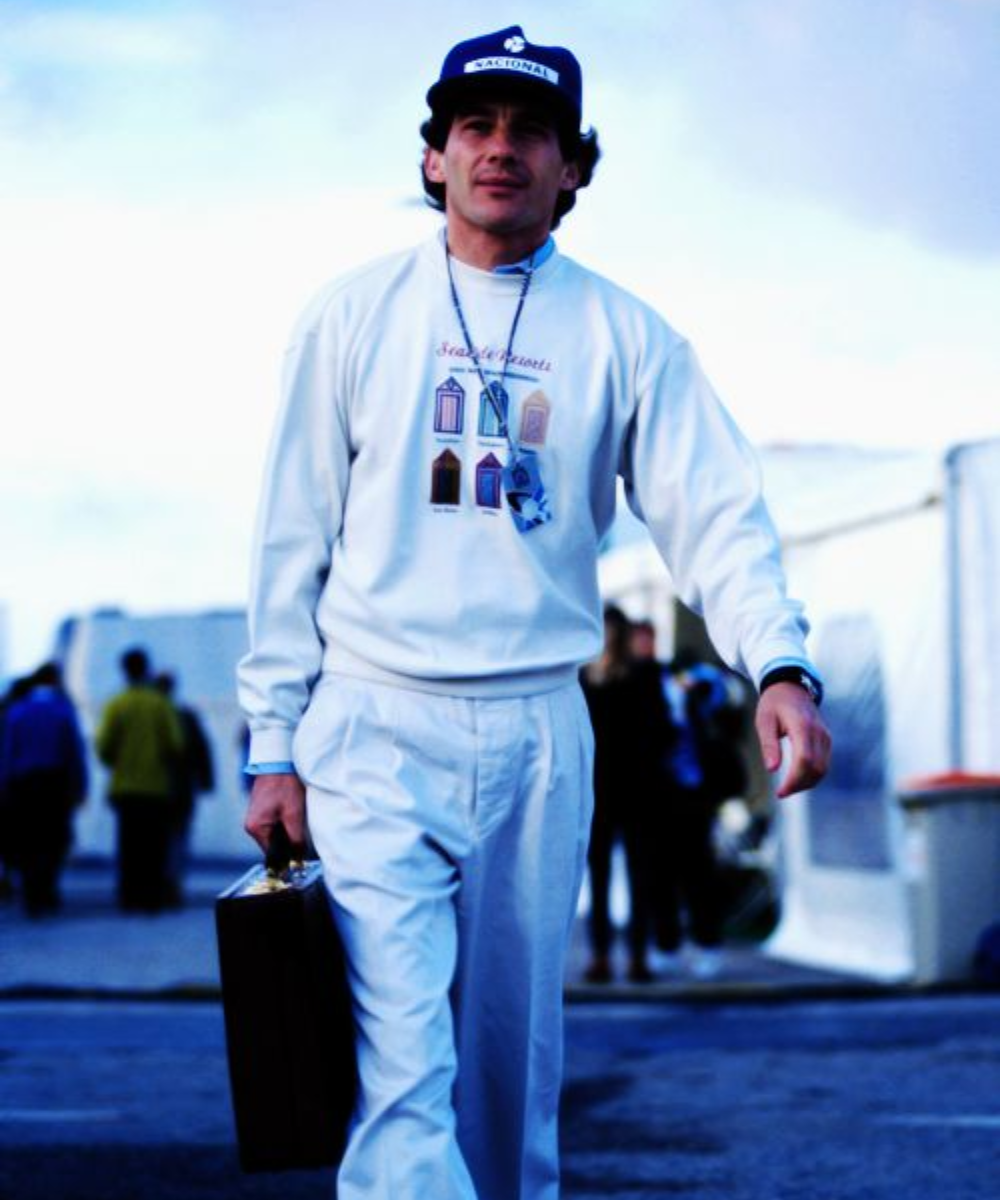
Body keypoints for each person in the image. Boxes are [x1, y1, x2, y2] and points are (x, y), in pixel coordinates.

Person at [238, 25, 830, 1200]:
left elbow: (715, 514)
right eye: (475, 127)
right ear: (433, 161)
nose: (500, 149)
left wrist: (779, 666)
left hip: (535, 735)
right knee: (402, 1077)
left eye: (530, 131)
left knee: (506, 1086)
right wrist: (270, 742)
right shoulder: (351, 316)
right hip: (371, 727)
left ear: (573, 166)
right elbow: (287, 542)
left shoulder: (627, 339)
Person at [580, 605, 672, 983]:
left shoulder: (643, 674)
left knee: (638, 875)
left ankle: (635, 956)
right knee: (600, 876)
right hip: (603, 789)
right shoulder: (582, 677)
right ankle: (603, 955)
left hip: (635, 789)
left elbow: (663, 728)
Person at [652, 651, 749, 978]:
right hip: (663, 793)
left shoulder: (704, 687)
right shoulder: (653, 691)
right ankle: (667, 943)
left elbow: (727, 700)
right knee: (662, 874)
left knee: (700, 871)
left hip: (698, 793)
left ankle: (707, 942)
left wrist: (697, 686)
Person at [96, 647, 183, 912]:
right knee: (154, 845)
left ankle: (128, 896)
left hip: (124, 787)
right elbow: (176, 744)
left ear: (124, 670)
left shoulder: (116, 703)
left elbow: (103, 746)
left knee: (128, 844)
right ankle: (151, 897)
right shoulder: (160, 703)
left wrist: (118, 762)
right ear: (146, 667)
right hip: (156, 787)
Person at [0, 663, 89, 915]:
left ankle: (31, 893)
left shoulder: (17, 711)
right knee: (54, 838)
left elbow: (8, 753)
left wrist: (4, 785)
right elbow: (75, 752)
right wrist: (80, 785)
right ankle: (47, 889)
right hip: (55, 783)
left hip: (23, 784)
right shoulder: (63, 711)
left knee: (28, 838)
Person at [154, 672, 215, 908]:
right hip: (181, 788)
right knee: (178, 837)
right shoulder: (185, 715)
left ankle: (159, 884)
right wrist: (206, 780)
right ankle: (173, 884)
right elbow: (202, 749)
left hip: (154, 788)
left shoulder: (154, 715)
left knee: (156, 839)